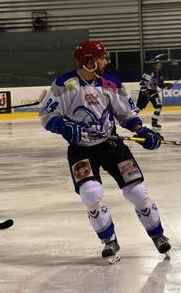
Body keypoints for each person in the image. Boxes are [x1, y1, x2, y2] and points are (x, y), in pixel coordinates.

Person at [39, 40, 171, 262]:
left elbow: (126, 115)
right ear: (89, 62)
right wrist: (62, 126)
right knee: (90, 194)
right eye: (101, 58)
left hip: (111, 145)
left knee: (137, 192)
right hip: (81, 150)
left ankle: (158, 235)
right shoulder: (65, 84)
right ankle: (109, 239)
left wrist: (142, 132)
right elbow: (47, 116)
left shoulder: (111, 83)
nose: (106, 61)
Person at [135, 54, 173, 130]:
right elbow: (142, 83)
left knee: (158, 106)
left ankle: (154, 122)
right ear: (155, 64)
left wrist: (167, 85)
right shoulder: (149, 72)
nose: (160, 65)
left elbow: (161, 85)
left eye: (161, 64)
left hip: (153, 91)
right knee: (139, 108)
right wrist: (146, 93)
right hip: (144, 92)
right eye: (158, 64)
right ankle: (130, 120)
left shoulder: (159, 74)